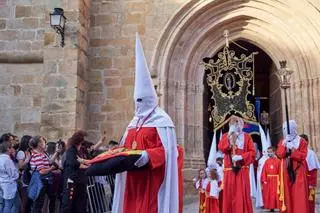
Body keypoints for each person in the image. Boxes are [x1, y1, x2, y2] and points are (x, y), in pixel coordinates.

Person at [112, 33, 179, 213]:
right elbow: (126, 147)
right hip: (132, 179)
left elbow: (167, 152)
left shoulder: (163, 121)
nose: (139, 104)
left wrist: (148, 156)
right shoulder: (133, 123)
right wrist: (115, 152)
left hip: (152, 178)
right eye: (136, 100)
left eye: (142, 100)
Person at [218, 115, 256, 213]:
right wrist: (229, 139)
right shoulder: (226, 136)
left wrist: (241, 157)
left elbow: (253, 154)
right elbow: (221, 148)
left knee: (241, 194)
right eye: (233, 123)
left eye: (237, 123)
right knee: (229, 195)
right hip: (229, 172)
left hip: (242, 171)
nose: (236, 125)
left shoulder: (247, 137)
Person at [276, 120, 308, 213]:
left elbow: (302, 156)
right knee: (287, 194)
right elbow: (280, 154)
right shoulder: (283, 141)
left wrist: (293, 149)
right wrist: (285, 144)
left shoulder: (301, 141)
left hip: (298, 170)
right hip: (285, 169)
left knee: (299, 194)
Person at [61, 130, 90, 213]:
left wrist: (86, 163)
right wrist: (86, 166)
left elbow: (83, 160)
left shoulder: (80, 151)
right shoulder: (71, 150)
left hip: (80, 181)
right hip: (72, 181)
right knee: (68, 204)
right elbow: (73, 163)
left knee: (79, 204)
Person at [29, 136, 58, 213]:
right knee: (38, 203)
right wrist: (51, 169)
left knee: (51, 198)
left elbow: (50, 161)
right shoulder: (37, 155)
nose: (45, 143)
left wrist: (57, 152)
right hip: (41, 181)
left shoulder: (42, 154)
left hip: (45, 180)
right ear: (39, 144)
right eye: (43, 142)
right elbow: (42, 171)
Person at [300, 134, 320, 213]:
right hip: (299, 182)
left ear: (307, 142)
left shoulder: (311, 154)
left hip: (308, 181)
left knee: (309, 202)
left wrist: (312, 183)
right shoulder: (296, 152)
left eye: (303, 141)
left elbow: (314, 170)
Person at [0, 140, 19, 213]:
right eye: (11, 148)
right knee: (8, 205)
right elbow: (13, 174)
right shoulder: (7, 160)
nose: (13, 149)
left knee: (2, 204)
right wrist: (17, 173)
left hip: (1, 182)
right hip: (8, 184)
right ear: (8, 149)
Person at [16, 135, 32, 213]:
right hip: (22, 178)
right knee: (24, 200)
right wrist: (27, 159)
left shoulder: (29, 151)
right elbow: (20, 165)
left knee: (27, 200)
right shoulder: (21, 152)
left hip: (29, 177)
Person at [261, 146, 281, 211]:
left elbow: (281, 171)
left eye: (271, 152)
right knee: (270, 194)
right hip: (269, 180)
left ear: (274, 152)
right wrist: (264, 179)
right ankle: (271, 207)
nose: (269, 153)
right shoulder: (267, 161)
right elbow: (264, 171)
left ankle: (279, 206)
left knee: (277, 194)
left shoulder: (278, 161)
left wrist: (280, 180)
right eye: (268, 152)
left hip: (276, 180)